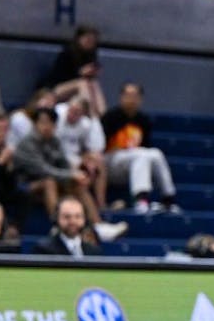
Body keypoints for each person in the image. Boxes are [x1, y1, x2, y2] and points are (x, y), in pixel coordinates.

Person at [101, 83, 179, 214]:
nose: (131, 99)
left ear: (140, 99)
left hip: (133, 164)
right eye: (128, 95)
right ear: (121, 97)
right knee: (141, 154)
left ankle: (168, 198)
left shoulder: (143, 120)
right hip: (110, 163)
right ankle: (140, 201)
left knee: (155, 153)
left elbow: (146, 147)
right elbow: (99, 145)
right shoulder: (110, 117)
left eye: (135, 96)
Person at [54, 97, 108, 215]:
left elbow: (92, 149)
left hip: (75, 157)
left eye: (76, 112)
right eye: (71, 109)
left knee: (99, 162)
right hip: (58, 159)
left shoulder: (86, 125)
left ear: (82, 114)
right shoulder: (57, 116)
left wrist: (90, 161)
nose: (71, 114)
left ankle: (101, 204)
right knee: (80, 178)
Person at [43, 26, 108, 117]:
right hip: (57, 89)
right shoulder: (67, 53)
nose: (90, 43)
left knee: (93, 83)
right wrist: (80, 73)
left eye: (93, 41)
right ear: (79, 38)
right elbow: (58, 77)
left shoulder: (91, 56)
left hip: (79, 89)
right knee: (82, 83)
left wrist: (92, 73)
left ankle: (103, 115)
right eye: (88, 39)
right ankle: (91, 115)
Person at [32, 197, 104, 258]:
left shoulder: (94, 252)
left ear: (85, 219)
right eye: (67, 217)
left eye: (77, 216)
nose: (72, 221)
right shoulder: (43, 250)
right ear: (56, 218)